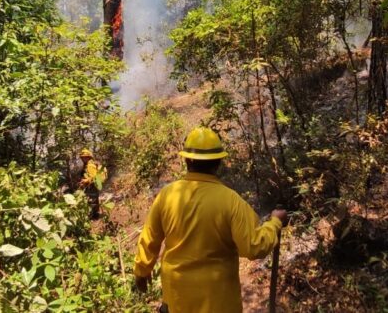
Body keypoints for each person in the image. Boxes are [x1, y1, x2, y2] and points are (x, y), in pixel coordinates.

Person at [134, 127, 288, 313]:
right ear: (218, 163)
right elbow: (254, 246)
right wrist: (275, 222)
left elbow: (150, 238)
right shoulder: (231, 201)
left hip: (177, 298)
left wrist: (142, 271)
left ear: (186, 160)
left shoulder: (167, 195)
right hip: (219, 301)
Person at [78, 148, 106, 219]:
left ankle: (93, 216)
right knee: (93, 200)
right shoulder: (88, 164)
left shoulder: (90, 165)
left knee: (92, 201)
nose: (82, 159)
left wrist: (85, 181)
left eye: (84, 157)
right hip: (92, 186)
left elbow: (93, 177)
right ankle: (95, 215)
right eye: (82, 157)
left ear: (88, 157)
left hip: (92, 186)